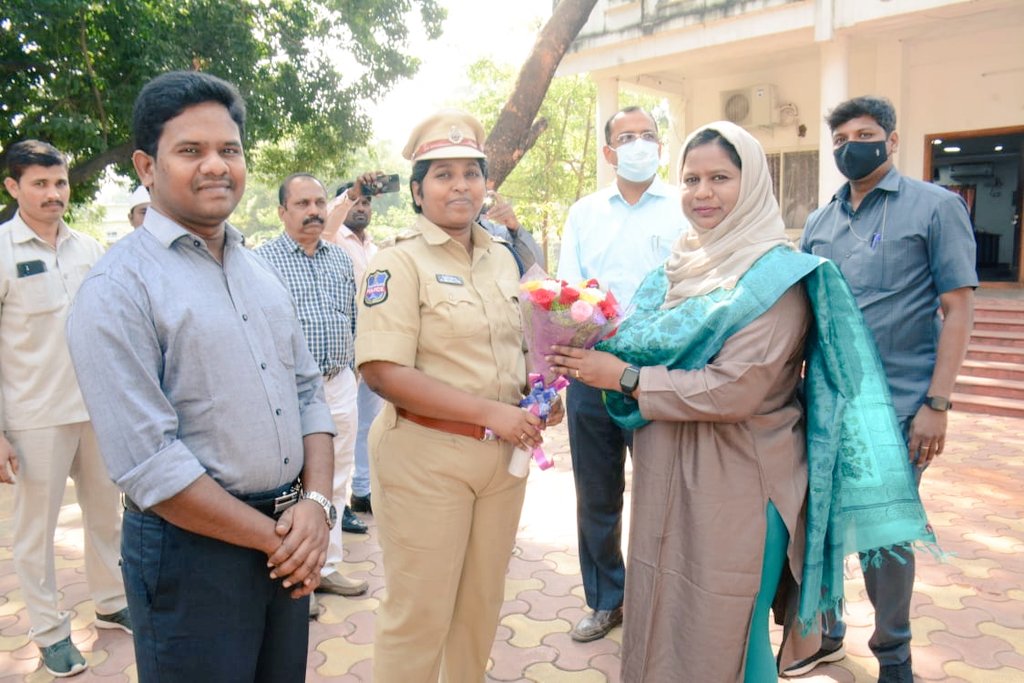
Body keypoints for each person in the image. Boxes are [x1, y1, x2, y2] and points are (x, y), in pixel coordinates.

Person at [548, 120, 936, 682]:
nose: (702, 193)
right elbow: (642, 339)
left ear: (752, 183)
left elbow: (737, 387)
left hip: (741, 478)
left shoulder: (777, 276)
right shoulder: (675, 272)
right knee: (669, 616)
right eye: (691, 179)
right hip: (670, 471)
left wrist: (627, 378)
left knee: (731, 633)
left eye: (720, 178)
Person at [65, 70, 336, 682]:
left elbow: (306, 391)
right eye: (191, 150)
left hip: (288, 533)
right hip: (191, 552)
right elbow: (149, 462)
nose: (216, 165)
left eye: (229, 150)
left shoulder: (259, 271)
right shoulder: (117, 288)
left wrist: (315, 507)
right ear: (146, 166)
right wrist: (279, 539)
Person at [355, 108, 563, 682]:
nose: (460, 186)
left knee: (479, 610)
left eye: (471, 173)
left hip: (502, 462)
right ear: (418, 192)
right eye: (442, 174)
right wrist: (490, 411)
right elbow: (382, 371)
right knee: (419, 614)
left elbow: (522, 344)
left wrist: (541, 391)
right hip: (426, 457)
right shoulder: (396, 263)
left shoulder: (503, 257)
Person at [793, 95, 976, 683]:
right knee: (824, 518)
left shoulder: (935, 207)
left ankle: (893, 660)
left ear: (892, 140)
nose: (853, 146)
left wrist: (937, 404)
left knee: (885, 533)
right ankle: (827, 635)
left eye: (865, 134)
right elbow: (802, 311)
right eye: (842, 138)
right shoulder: (821, 222)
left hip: (897, 406)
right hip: (826, 402)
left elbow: (958, 309)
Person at [554, 105, 686, 642]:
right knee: (597, 494)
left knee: (667, 493)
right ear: (608, 153)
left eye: (647, 136)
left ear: (661, 147)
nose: (638, 145)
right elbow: (567, 293)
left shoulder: (684, 206)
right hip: (592, 371)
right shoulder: (585, 213)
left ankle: (665, 604)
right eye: (626, 137)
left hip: (659, 375)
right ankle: (606, 600)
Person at [0, 140, 129, 678]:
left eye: (60, 183)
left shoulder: (89, 248)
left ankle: (111, 600)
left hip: (95, 410)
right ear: (13, 187)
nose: (54, 194)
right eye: (40, 184)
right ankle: (50, 632)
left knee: (107, 516)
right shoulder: (2, 250)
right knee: (36, 532)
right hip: (33, 416)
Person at [255, 172, 368, 602]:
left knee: (336, 479)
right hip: (289, 392)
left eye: (319, 203)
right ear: (282, 211)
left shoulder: (339, 259)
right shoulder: (262, 262)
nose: (313, 212)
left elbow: (352, 319)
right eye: (301, 204)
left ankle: (329, 566)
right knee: (293, 486)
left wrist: (353, 369)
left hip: (339, 383)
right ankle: (298, 577)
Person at [323, 174, 384, 518]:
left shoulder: (375, 249)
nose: (361, 208)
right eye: (356, 202)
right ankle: (336, 500)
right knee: (341, 425)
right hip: (343, 346)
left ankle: (362, 491)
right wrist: (349, 193)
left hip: (374, 345)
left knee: (368, 421)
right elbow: (329, 220)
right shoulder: (332, 239)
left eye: (366, 203)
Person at [479, 190, 545, 271]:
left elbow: (534, 268)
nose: (462, 187)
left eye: (472, 177)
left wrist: (515, 228)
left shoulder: (498, 234)